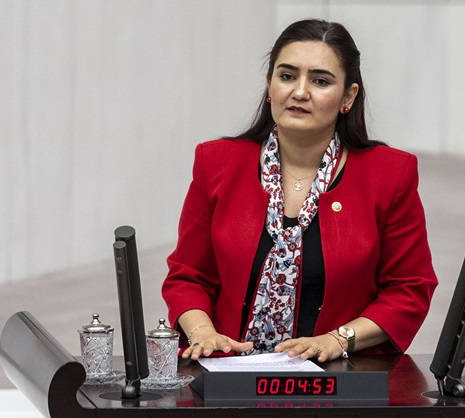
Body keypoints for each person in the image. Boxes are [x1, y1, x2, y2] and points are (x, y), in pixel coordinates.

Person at [162, 19, 437, 363]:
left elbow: (409, 289)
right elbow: (188, 276)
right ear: (270, 85)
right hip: (227, 371)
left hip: (336, 375)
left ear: (348, 96)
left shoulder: (389, 174)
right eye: (287, 76)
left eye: (320, 81)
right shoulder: (217, 162)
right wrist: (203, 333)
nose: (300, 92)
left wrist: (338, 340)